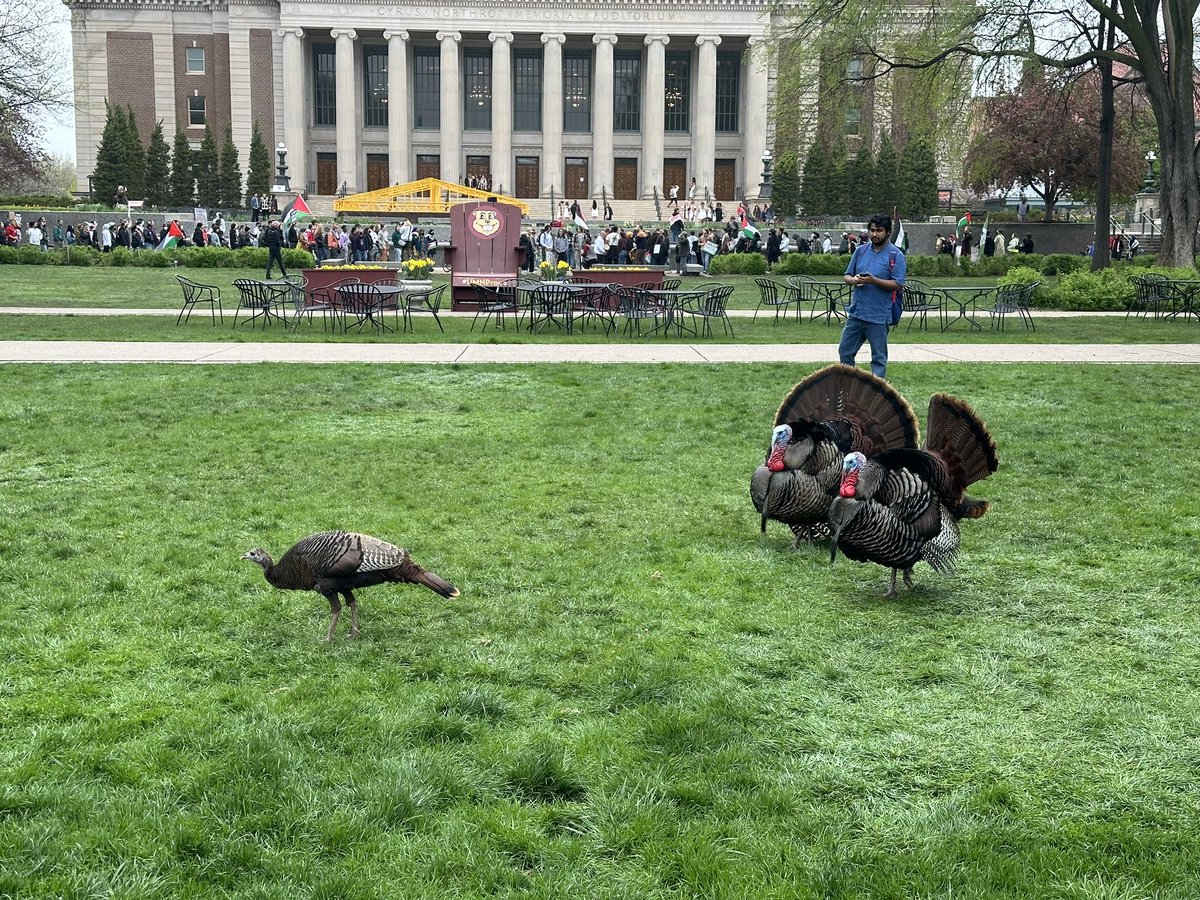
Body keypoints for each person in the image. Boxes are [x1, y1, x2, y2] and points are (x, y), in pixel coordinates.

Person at [837, 213, 905, 380]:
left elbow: (898, 284)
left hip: (878, 316)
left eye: (879, 231)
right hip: (856, 313)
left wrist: (873, 281)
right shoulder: (860, 251)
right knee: (845, 352)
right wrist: (853, 280)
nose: (874, 234)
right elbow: (847, 276)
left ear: (888, 232)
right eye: (872, 230)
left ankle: (877, 393)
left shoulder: (896, 255)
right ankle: (848, 387)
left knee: (878, 359)